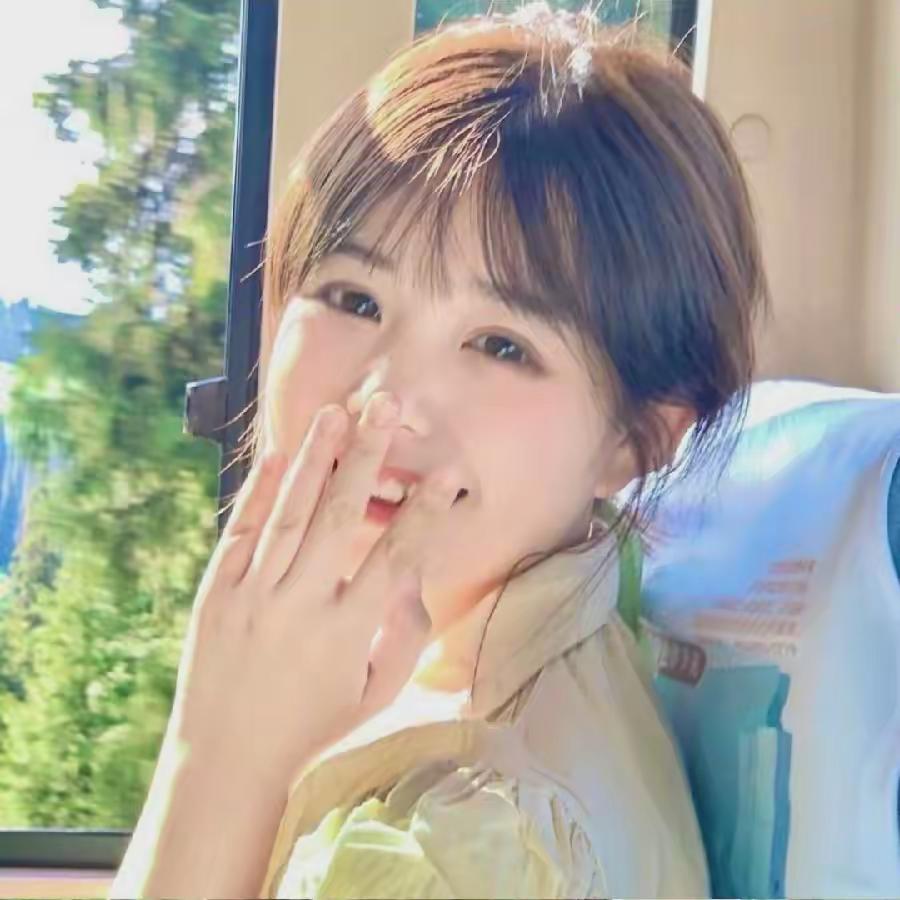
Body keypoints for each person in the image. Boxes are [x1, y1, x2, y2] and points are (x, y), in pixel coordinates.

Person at [110, 4, 768, 898]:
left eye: (501, 345)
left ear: (638, 439)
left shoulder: (461, 842)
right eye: (354, 298)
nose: (384, 401)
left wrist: (221, 753)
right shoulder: (507, 648)